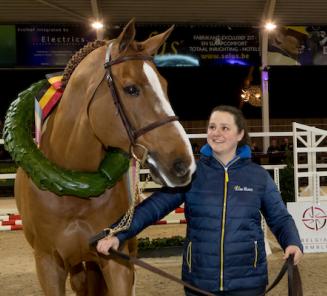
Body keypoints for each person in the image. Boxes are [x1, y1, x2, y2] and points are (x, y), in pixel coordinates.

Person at [96, 105, 303, 296]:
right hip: (199, 282)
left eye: (224, 128)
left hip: (248, 283)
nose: (216, 133)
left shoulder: (258, 176)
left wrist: (292, 242)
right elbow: (154, 207)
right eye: (212, 127)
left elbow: (280, 218)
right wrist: (117, 234)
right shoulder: (192, 174)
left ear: (240, 134)